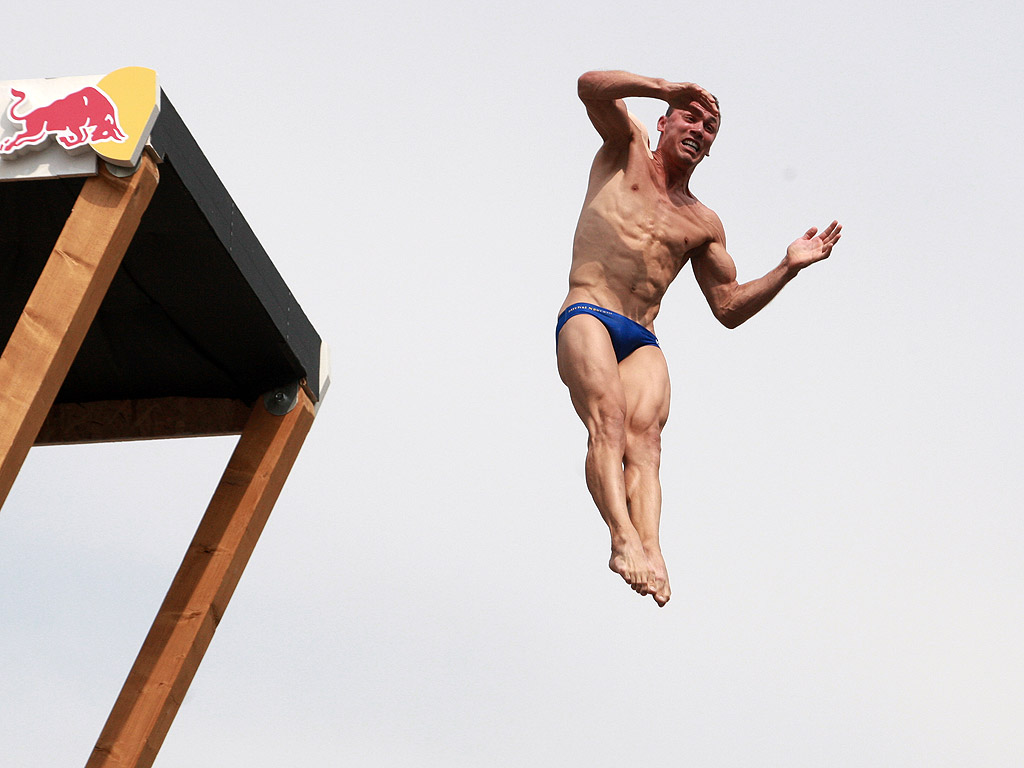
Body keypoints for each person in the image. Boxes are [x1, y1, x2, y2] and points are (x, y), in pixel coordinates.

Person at [556, 70, 841, 606]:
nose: (700, 129)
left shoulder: (703, 223)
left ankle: (652, 548)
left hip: (641, 335)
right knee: (610, 422)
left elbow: (728, 307)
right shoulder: (626, 147)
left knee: (648, 444)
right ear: (664, 123)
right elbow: (589, 87)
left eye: (710, 128)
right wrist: (664, 88)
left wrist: (788, 267)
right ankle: (622, 539)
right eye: (691, 117)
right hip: (589, 310)